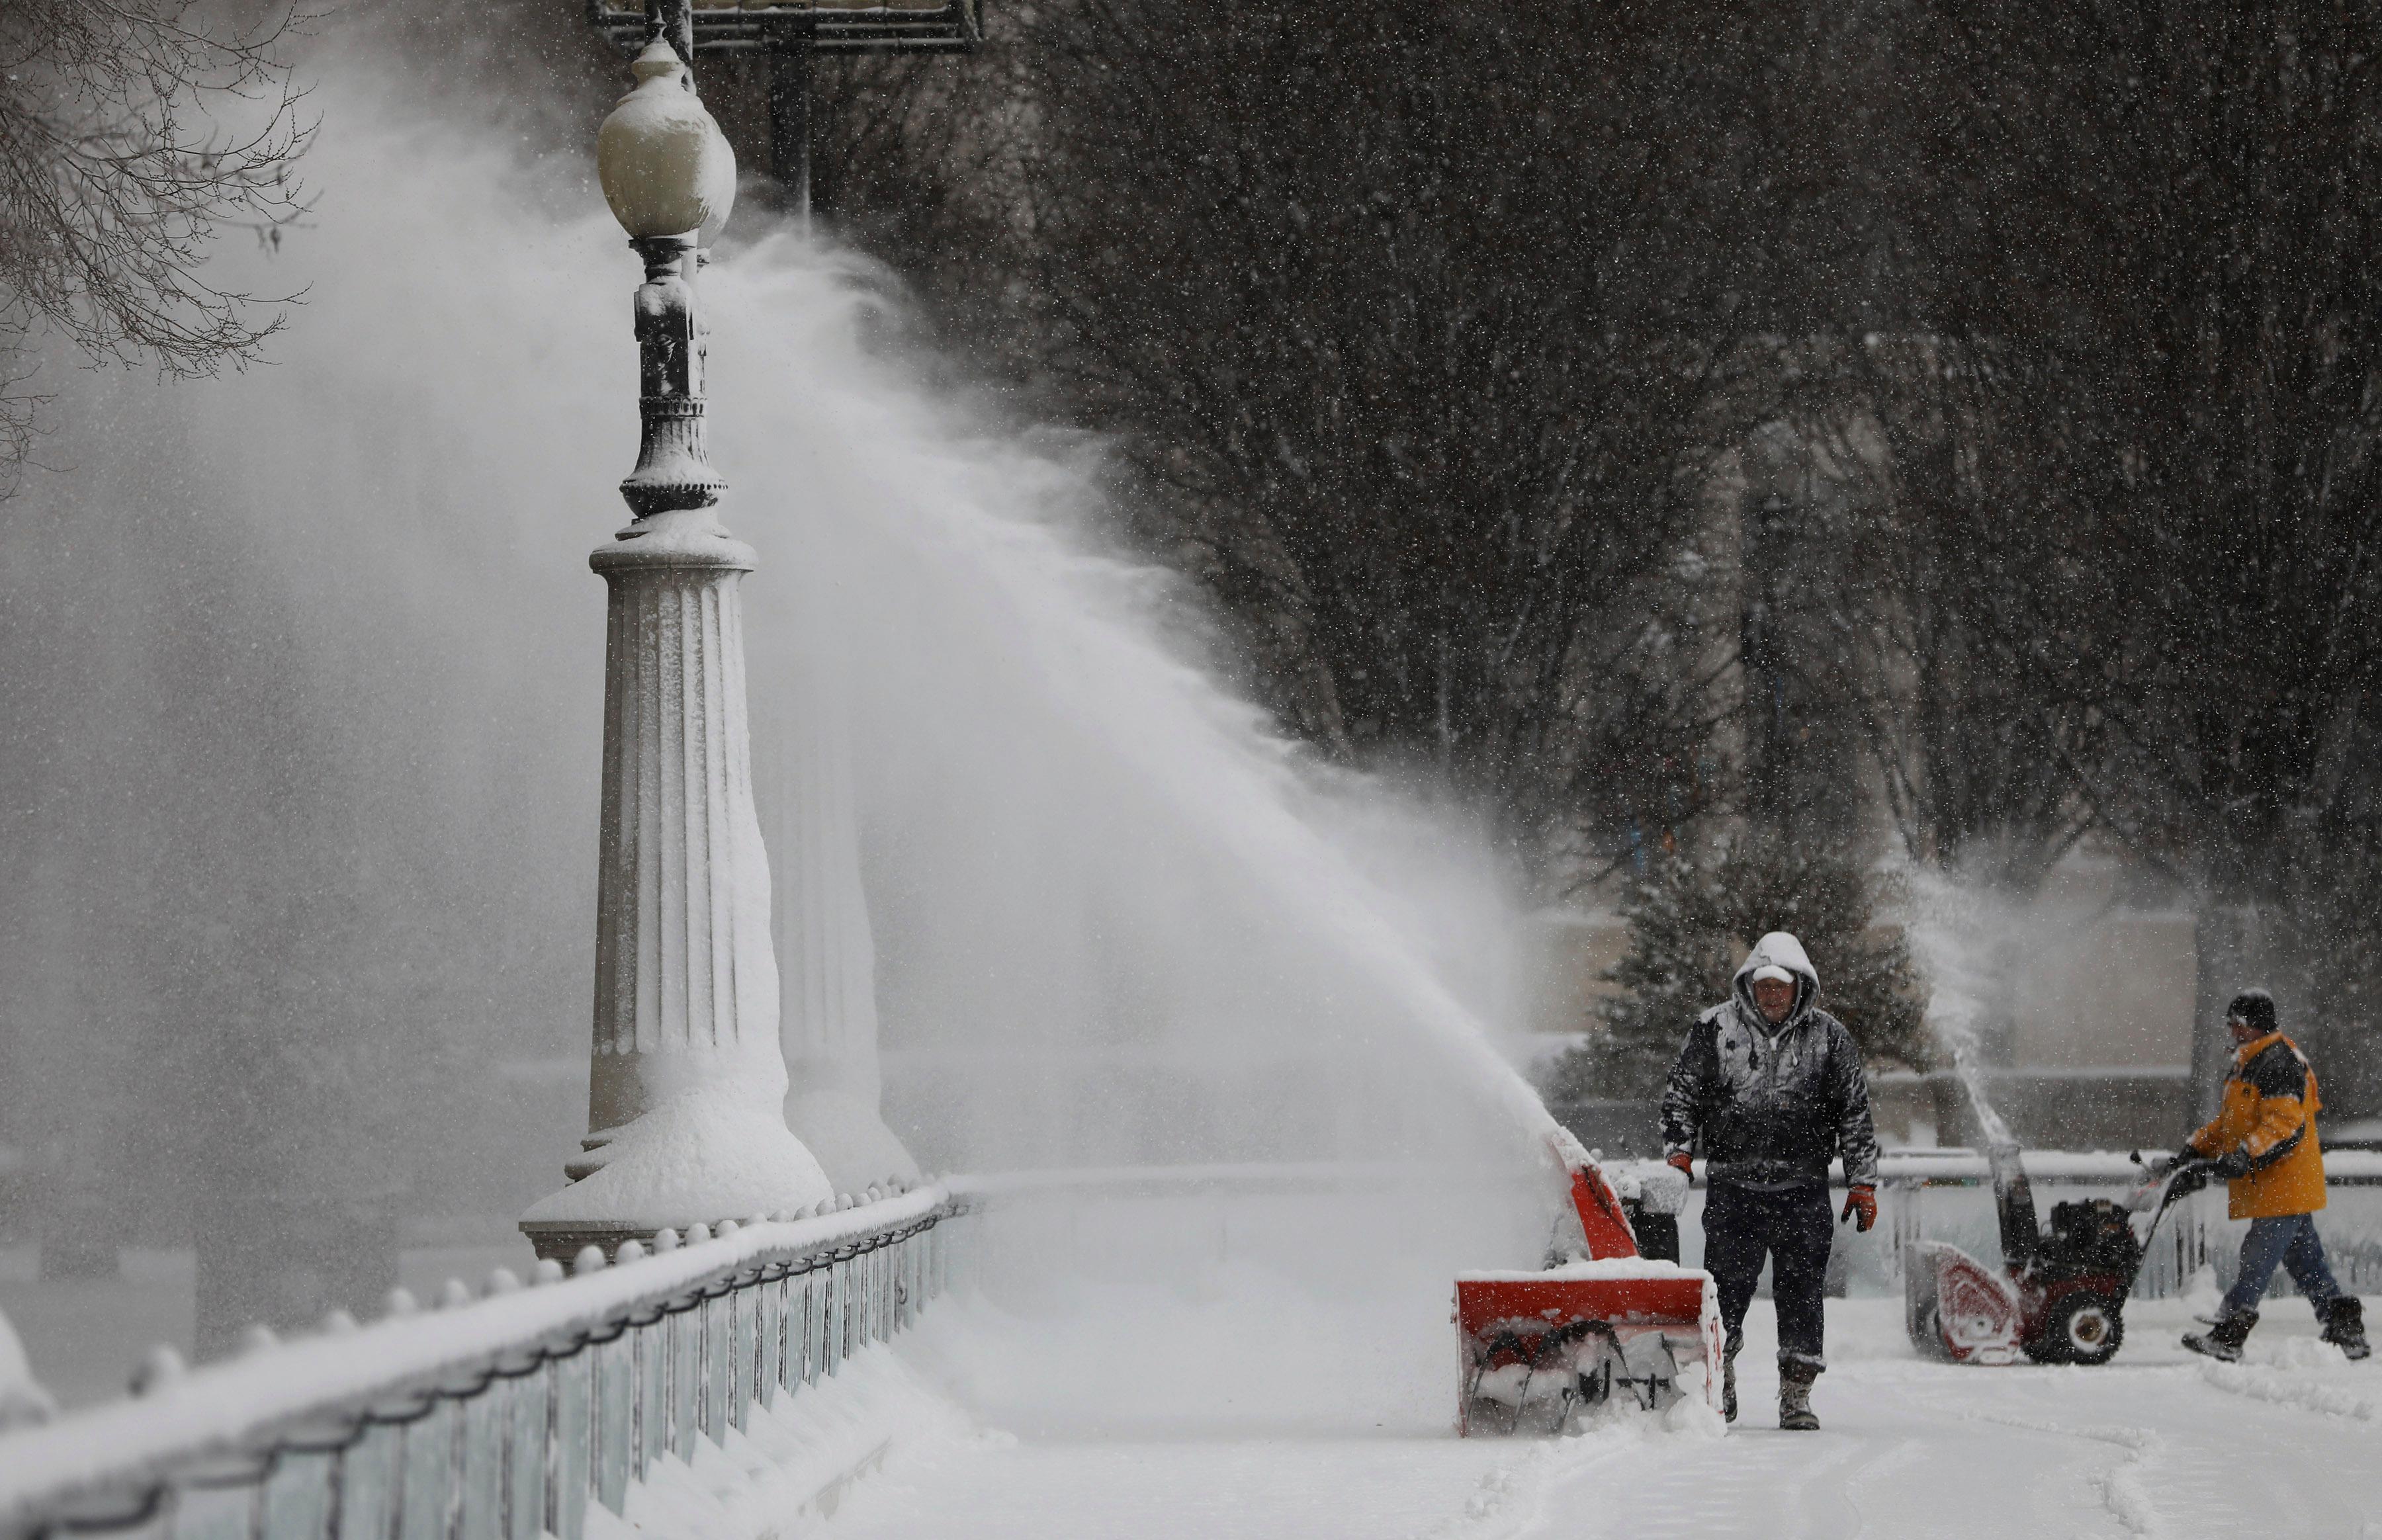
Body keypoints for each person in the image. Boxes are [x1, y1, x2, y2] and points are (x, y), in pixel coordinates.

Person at [1661, 931, 1880, 1430]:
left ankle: (1797, 1396)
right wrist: (1678, 1156)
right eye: (1763, 987)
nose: (1772, 996)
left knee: (1802, 1294)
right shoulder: (1713, 1029)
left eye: (1781, 987)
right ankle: (1723, 1379)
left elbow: (1855, 1115)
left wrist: (1862, 1182)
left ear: (1800, 986)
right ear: (1749, 987)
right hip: (1733, 1190)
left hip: (1803, 1190)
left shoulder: (1830, 1039)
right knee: (1726, 1293)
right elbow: (1681, 1097)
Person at [2175, 989, 2368, 1363]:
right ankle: (2346, 1330)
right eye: (2231, 1024)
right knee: (2305, 1261)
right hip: (2273, 1183)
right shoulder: (2248, 1063)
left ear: (2258, 1025)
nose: (2233, 1032)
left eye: (2240, 1025)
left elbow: (2283, 1126)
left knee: (2257, 1257)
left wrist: (2246, 1154)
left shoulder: (2278, 1063)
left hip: (2285, 1181)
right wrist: (2196, 1149)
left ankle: (2230, 1334)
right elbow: (2231, 1124)